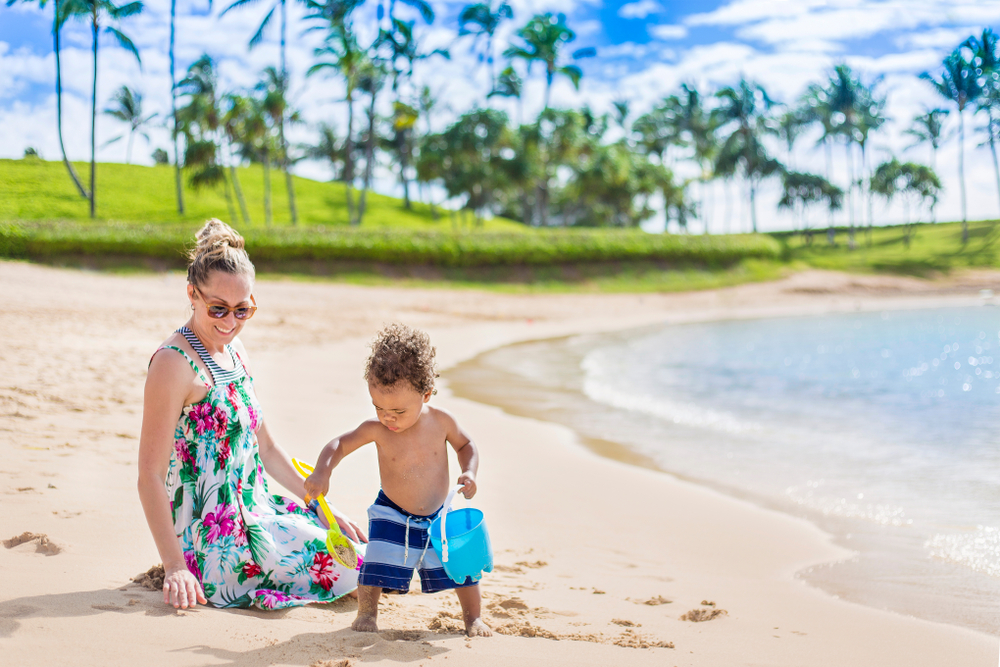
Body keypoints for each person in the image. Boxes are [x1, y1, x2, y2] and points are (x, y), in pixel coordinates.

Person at [138, 219, 366, 611]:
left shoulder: (236, 350)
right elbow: (150, 476)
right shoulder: (172, 364)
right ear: (192, 294)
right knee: (356, 572)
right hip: (214, 540)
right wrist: (175, 566)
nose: (230, 322)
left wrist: (322, 508)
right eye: (218, 309)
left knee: (356, 551)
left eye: (243, 310)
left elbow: (269, 449)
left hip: (258, 513)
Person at [304, 324, 492, 637]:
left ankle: (473, 619)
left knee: (463, 567)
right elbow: (339, 444)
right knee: (374, 564)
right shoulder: (376, 429)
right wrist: (323, 470)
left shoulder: (441, 422)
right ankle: (367, 614)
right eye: (378, 407)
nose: (387, 418)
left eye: (398, 410)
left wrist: (469, 471)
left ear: (426, 394)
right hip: (391, 511)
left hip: (438, 515)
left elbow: (466, 445)